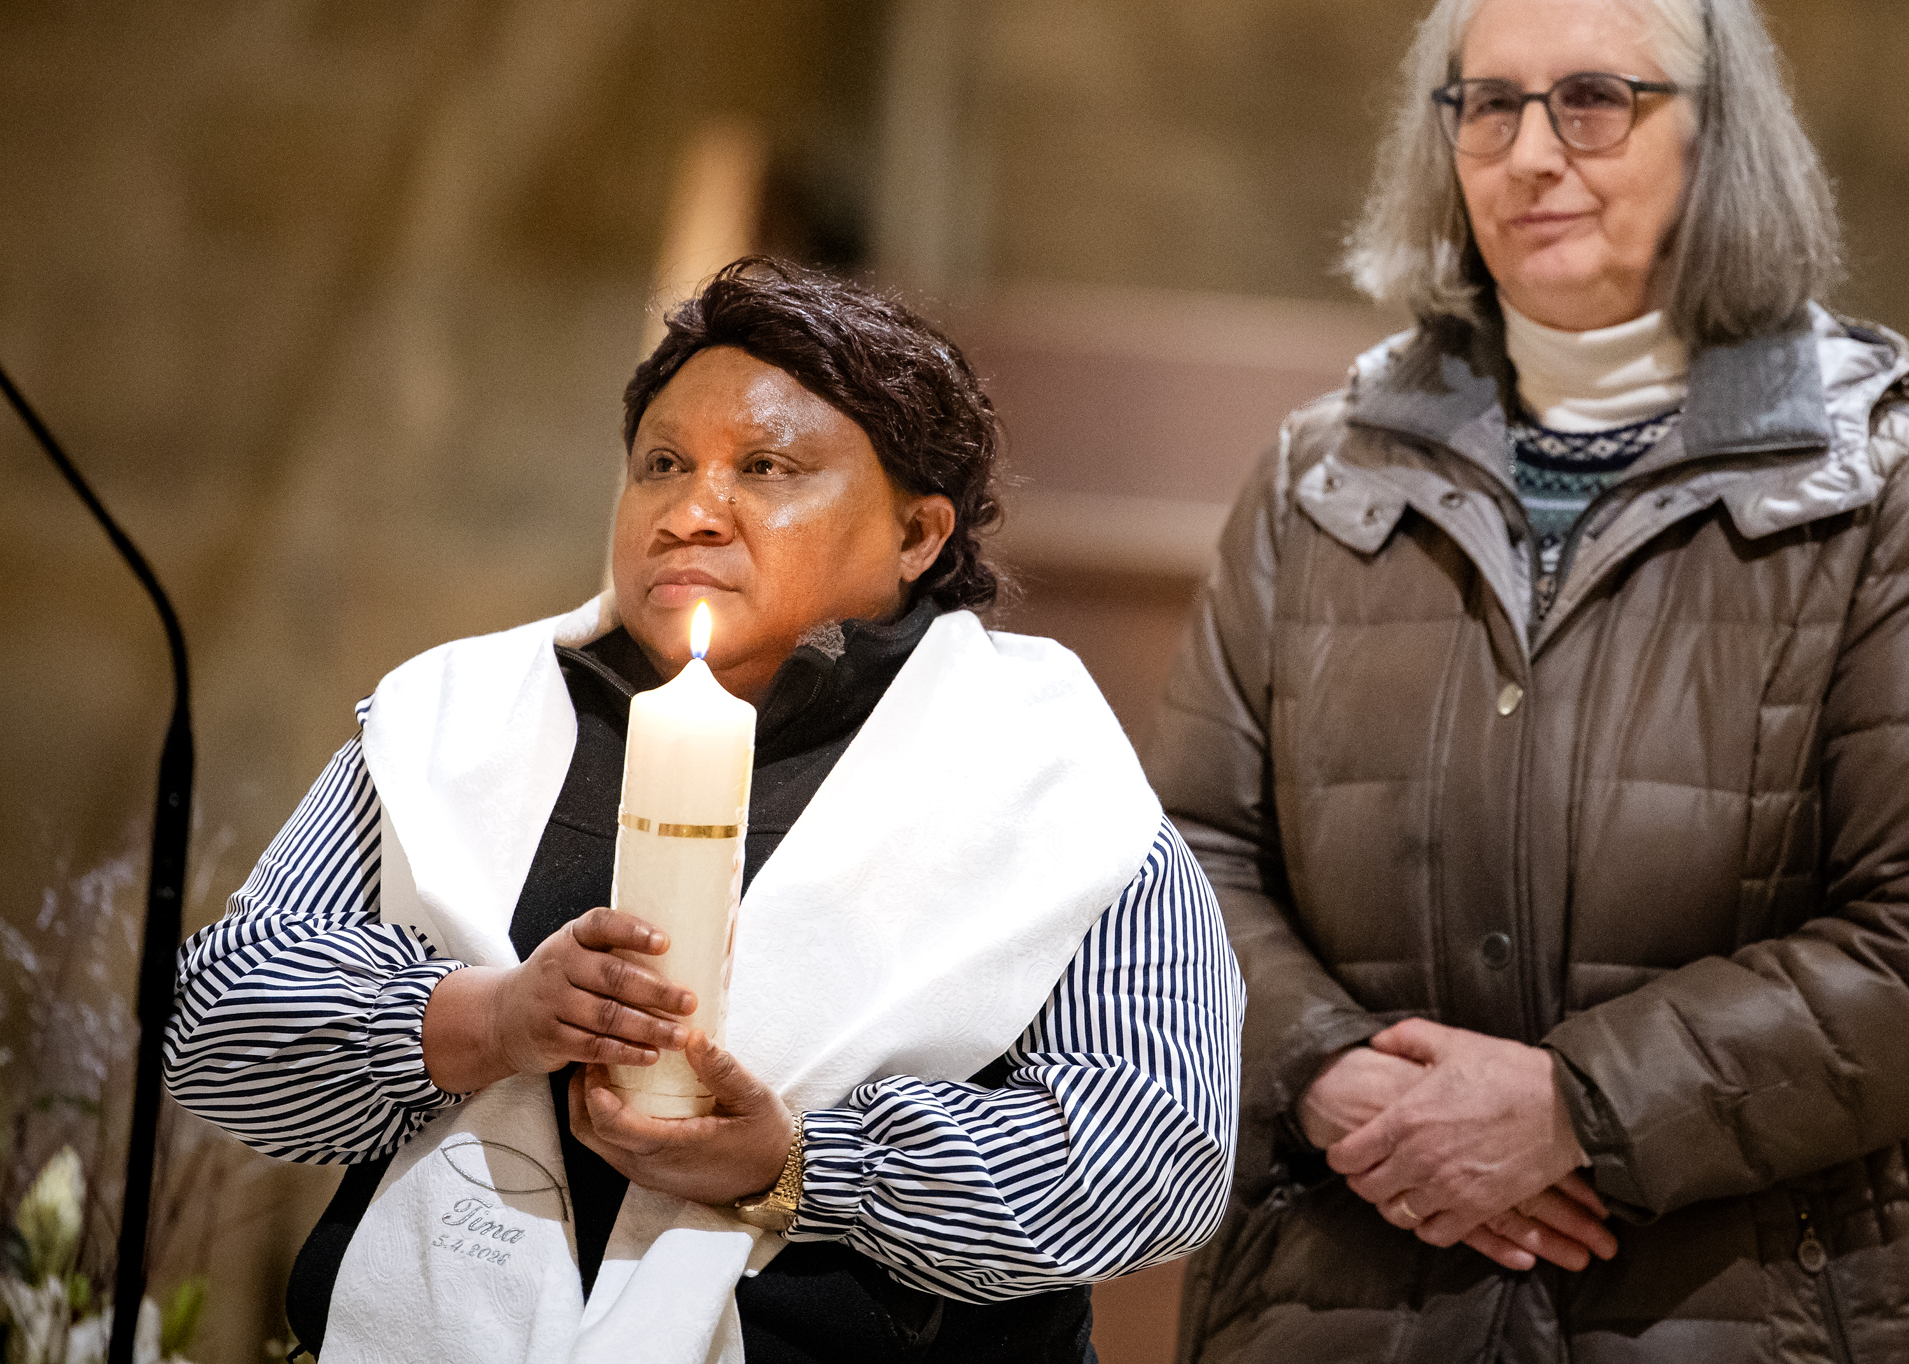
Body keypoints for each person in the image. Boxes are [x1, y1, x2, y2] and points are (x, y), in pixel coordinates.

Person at [1147, 0, 1909, 1362]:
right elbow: (1183, 859)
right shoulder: (1319, 476)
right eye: (1488, 104)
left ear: (1716, 131)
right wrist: (1331, 1077)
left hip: (1750, 1306)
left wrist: (1579, 1108)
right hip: (1353, 1292)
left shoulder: (1890, 486)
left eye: (1594, 100)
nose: (1530, 153)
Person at [167, 260, 1243, 1364]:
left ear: (919, 533)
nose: (687, 513)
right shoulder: (462, 719)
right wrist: (488, 1021)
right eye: (662, 464)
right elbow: (214, 1016)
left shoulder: (1043, 783)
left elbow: (1154, 1154)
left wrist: (798, 1164)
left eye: (765, 467)